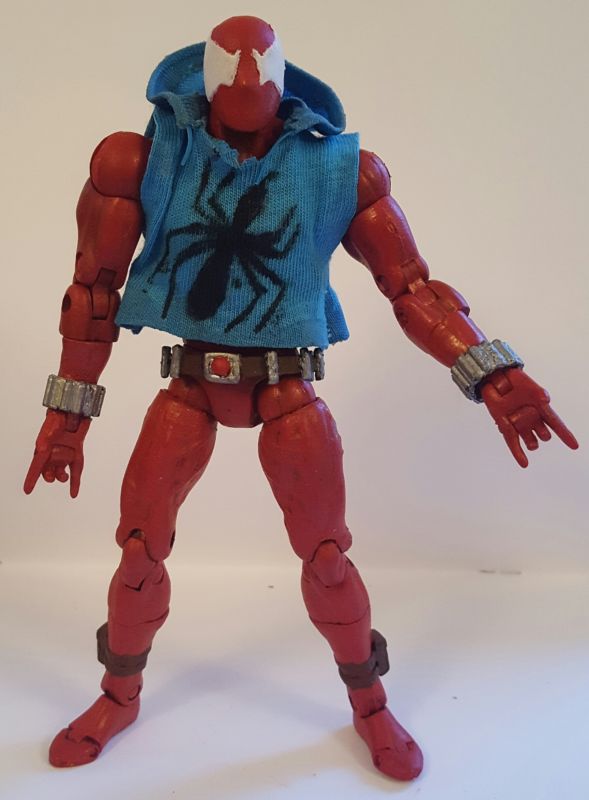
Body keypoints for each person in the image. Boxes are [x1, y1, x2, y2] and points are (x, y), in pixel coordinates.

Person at [24, 15, 577, 781]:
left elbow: (411, 287)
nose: (246, 78)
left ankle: (369, 705)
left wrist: (490, 371)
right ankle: (118, 694)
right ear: (203, 75)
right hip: (192, 382)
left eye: (260, 67)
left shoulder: (341, 171)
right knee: (141, 547)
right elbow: (93, 291)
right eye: (231, 67)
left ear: (285, 77)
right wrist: (68, 412)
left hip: (287, 386)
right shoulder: (144, 160)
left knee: (325, 555)